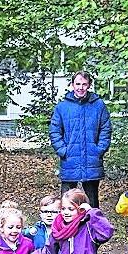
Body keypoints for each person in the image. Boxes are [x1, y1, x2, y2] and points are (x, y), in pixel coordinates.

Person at [49, 71, 112, 208]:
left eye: (84, 84)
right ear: (72, 85)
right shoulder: (62, 107)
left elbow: (106, 129)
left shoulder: (98, 105)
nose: (81, 87)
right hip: (69, 161)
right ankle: (68, 229)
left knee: (92, 204)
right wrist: (64, 151)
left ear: (89, 85)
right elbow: (54, 131)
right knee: (67, 203)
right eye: (78, 84)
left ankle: (92, 229)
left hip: (91, 161)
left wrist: (98, 150)